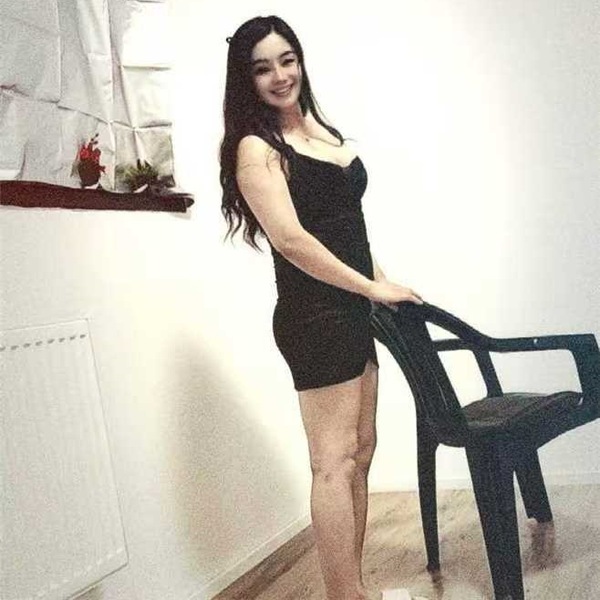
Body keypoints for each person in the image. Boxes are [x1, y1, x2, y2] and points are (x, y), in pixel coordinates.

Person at [219, 16, 427, 600]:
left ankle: (352, 586)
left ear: (301, 60)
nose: (280, 75)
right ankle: (343, 595)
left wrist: (380, 280)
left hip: (352, 309)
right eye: (262, 68)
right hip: (314, 317)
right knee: (333, 462)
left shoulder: (318, 130)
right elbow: (291, 240)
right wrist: (369, 288)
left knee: (361, 452)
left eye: (287, 60)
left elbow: (345, 226)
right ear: (246, 80)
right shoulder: (256, 148)